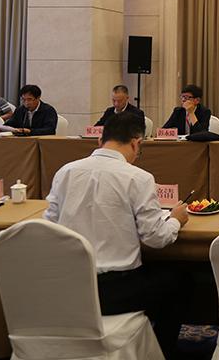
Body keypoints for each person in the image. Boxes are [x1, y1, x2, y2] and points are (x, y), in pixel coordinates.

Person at [44, 112, 189, 358]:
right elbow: (155, 238)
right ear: (136, 143)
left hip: (70, 287)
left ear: (100, 140)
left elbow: (49, 226)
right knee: (180, 281)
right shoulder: (138, 177)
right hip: (116, 290)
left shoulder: (65, 171)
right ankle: (159, 350)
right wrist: (176, 220)